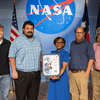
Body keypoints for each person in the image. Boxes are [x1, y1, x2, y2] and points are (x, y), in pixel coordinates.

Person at [8, 21, 43, 100]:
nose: (29, 30)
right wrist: (14, 71)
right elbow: (11, 57)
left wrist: (41, 67)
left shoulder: (37, 40)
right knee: (21, 97)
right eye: (27, 28)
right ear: (23, 29)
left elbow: (41, 55)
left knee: (33, 97)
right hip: (22, 75)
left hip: (36, 75)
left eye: (31, 28)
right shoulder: (17, 41)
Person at [69, 26, 94, 100]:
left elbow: (91, 59)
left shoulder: (88, 44)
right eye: (77, 32)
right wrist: (69, 71)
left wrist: (87, 73)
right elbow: (71, 57)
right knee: (74, 95)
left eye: (80, 32)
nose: (78, 34)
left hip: (82, 74)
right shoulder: (72, 44)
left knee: (83, 95)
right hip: (72, 73)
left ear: (84, 33)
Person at [0, 24, 11, 100]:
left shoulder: (8, 43)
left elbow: (11, 58)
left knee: (4, 96)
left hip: (5, 74)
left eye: (1, 30)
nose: (0, 32)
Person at [91, 27, 100, 100]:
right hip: (96, 72)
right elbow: (91, 58)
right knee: (95, 93)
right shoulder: (94, 45)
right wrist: (91, 70)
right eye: (99, 34)